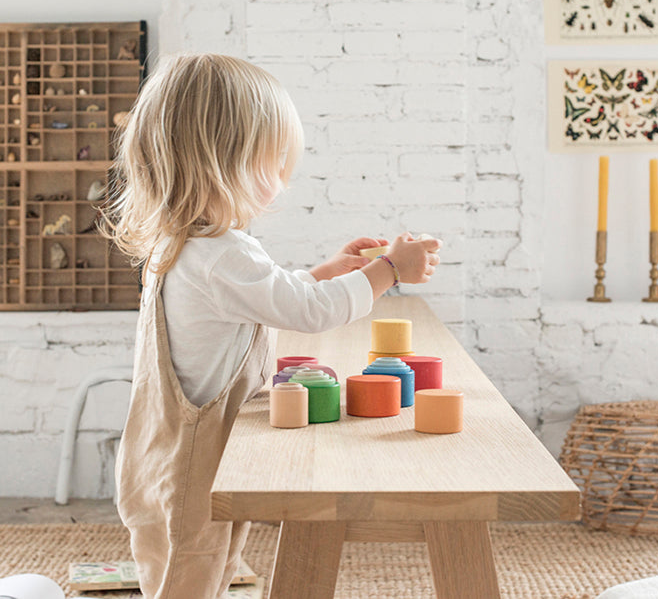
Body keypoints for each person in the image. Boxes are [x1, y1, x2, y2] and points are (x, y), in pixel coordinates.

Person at [104, 53, 441, 599]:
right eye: (275, 163)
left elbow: (268, 297)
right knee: (194, 567)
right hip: (194, 455)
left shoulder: (185, 244)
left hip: (162, 445)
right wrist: (388, 271)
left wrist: (325, 272)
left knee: (187, 565)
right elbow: (310, 313)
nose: (283, 181)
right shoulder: (223, 253)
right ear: (225, 161)